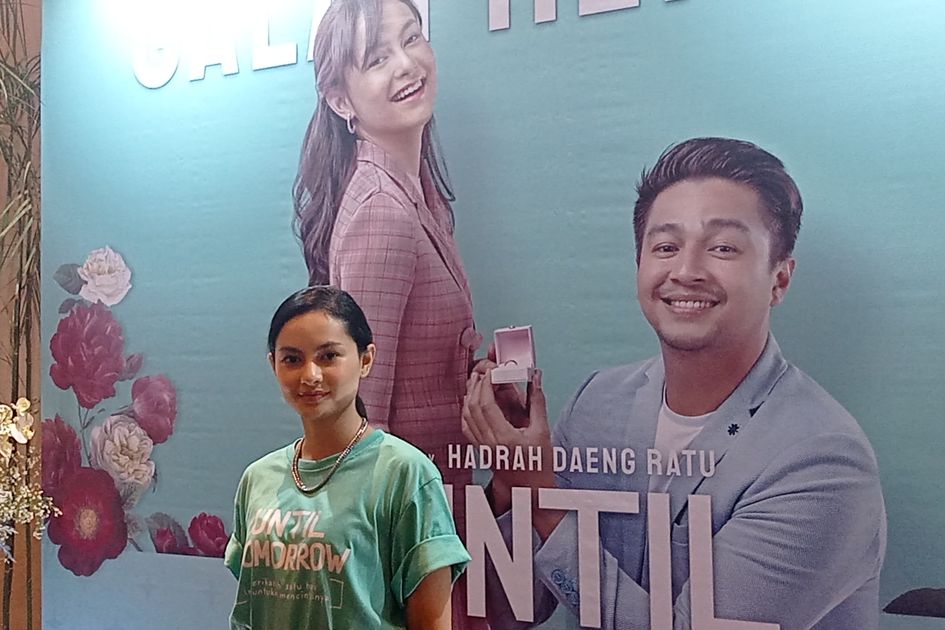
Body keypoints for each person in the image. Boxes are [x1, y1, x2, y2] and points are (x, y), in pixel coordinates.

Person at [463, 138, 887, 629]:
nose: (685, 271)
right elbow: (510, 610)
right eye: (665, 247)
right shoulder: (598, 403)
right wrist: (509, 481)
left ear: (780, 279)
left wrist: (538, 495)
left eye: (723, 248)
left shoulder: (823, 463)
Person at [294, 2, 481, 624]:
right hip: (407, 550)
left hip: (438, 523)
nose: (407, 64)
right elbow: (360, 420)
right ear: (339, 98)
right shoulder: (380, 210)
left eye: (412, 39)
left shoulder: (420, 194)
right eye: (377, 57)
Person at [225, 286, 469, 629]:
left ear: (366, 360)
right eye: (292, 359)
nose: (310, 375)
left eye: (328, 356)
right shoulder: (258, 478)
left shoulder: (405, 473)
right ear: (273, 365)